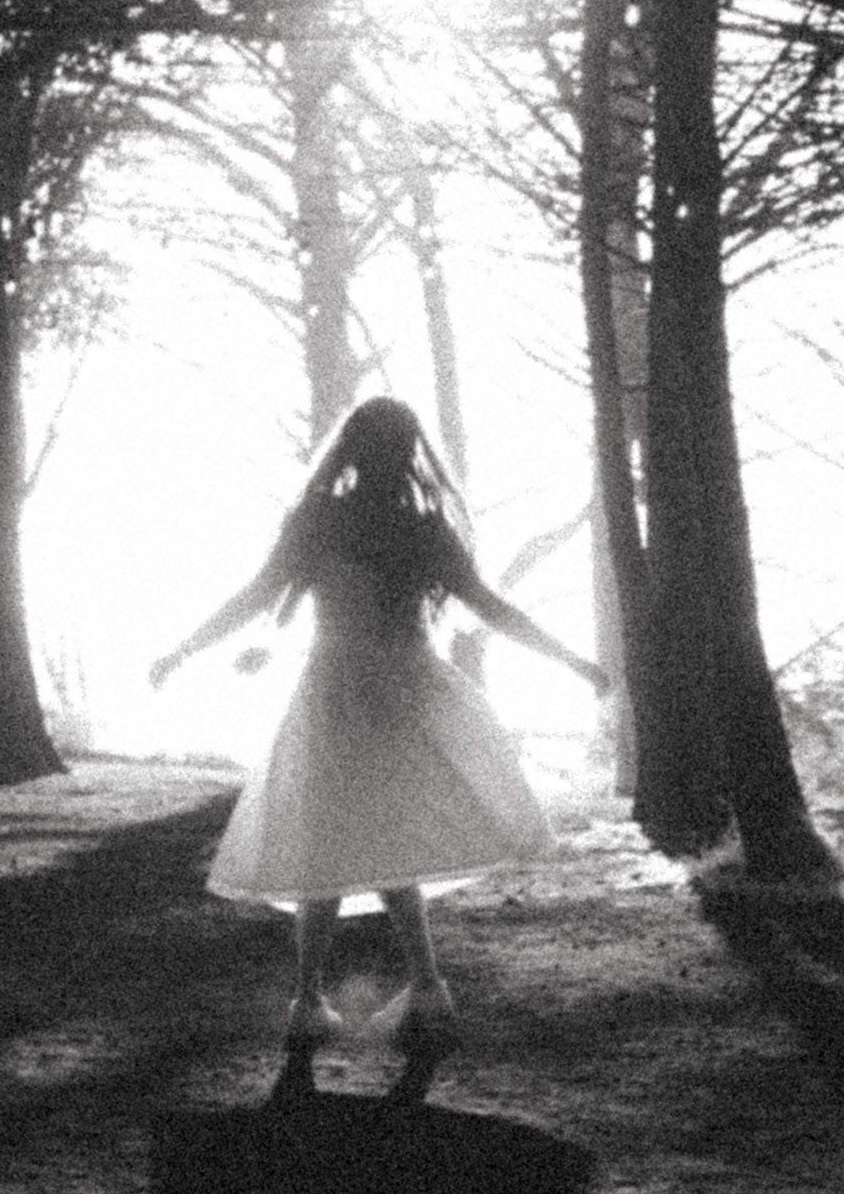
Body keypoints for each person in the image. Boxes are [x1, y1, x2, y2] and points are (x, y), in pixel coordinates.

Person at [148, 396, 608, 1079]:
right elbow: (491, 608)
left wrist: (184, 650)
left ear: (352, 452)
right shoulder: (422, 530)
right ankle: (414, 989)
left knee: (332, 836)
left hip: (338, 693)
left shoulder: (321, 520)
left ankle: (322, 999)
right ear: (410, 455)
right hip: (403, 694)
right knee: (378, 839)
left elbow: (257, 594)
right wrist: (571, 661)